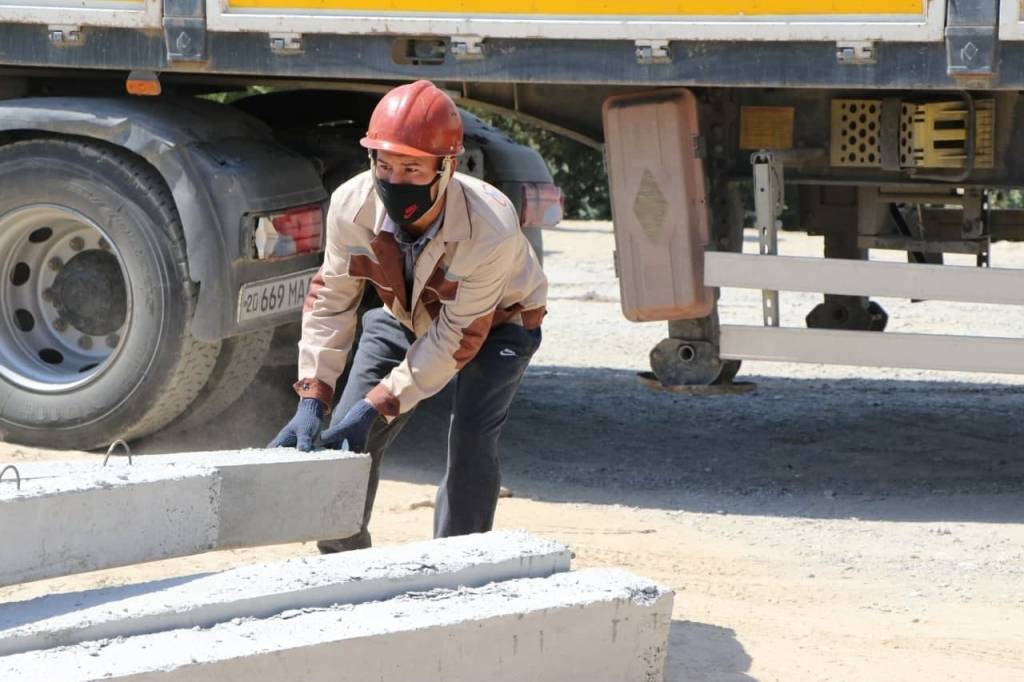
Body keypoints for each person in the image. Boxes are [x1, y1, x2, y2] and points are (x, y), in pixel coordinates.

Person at [270, 80, 548, 552]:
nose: (394, 180)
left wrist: (377, 405)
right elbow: (331, 300)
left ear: (446, 167)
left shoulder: (491, 226)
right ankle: (342, 556)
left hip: (499, 323)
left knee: (471, 437)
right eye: (385, 164)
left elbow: (456, 339)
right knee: (349, 435)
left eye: (412, 168)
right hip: (404, 314)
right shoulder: (351, 205)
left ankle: (458, 560)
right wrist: (312, 396)